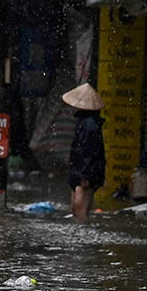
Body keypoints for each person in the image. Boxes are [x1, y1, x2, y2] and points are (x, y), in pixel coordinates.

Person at [63, 82, 105, 220]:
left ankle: (83, 233)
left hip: (85, 171)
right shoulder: (85, 122)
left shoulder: (90, 125)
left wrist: (85, 176)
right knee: (77, 209)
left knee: (80, 210)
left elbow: (89, 151)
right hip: (82, 170)